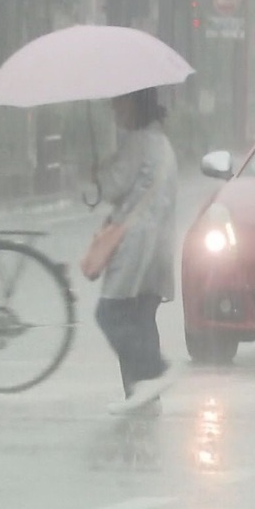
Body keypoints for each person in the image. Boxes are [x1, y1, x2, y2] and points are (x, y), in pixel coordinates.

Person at [94, 87, 182, 416]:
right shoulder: (160, 141)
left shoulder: (139, 141)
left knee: (110, 313)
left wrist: (96, 170)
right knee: (141, 319)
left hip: (137, 244)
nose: (114, 108)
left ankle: (155, 372)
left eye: (118, 101)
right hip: (158, 244)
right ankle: (142, 395)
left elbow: (113, 185)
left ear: (132, 103)